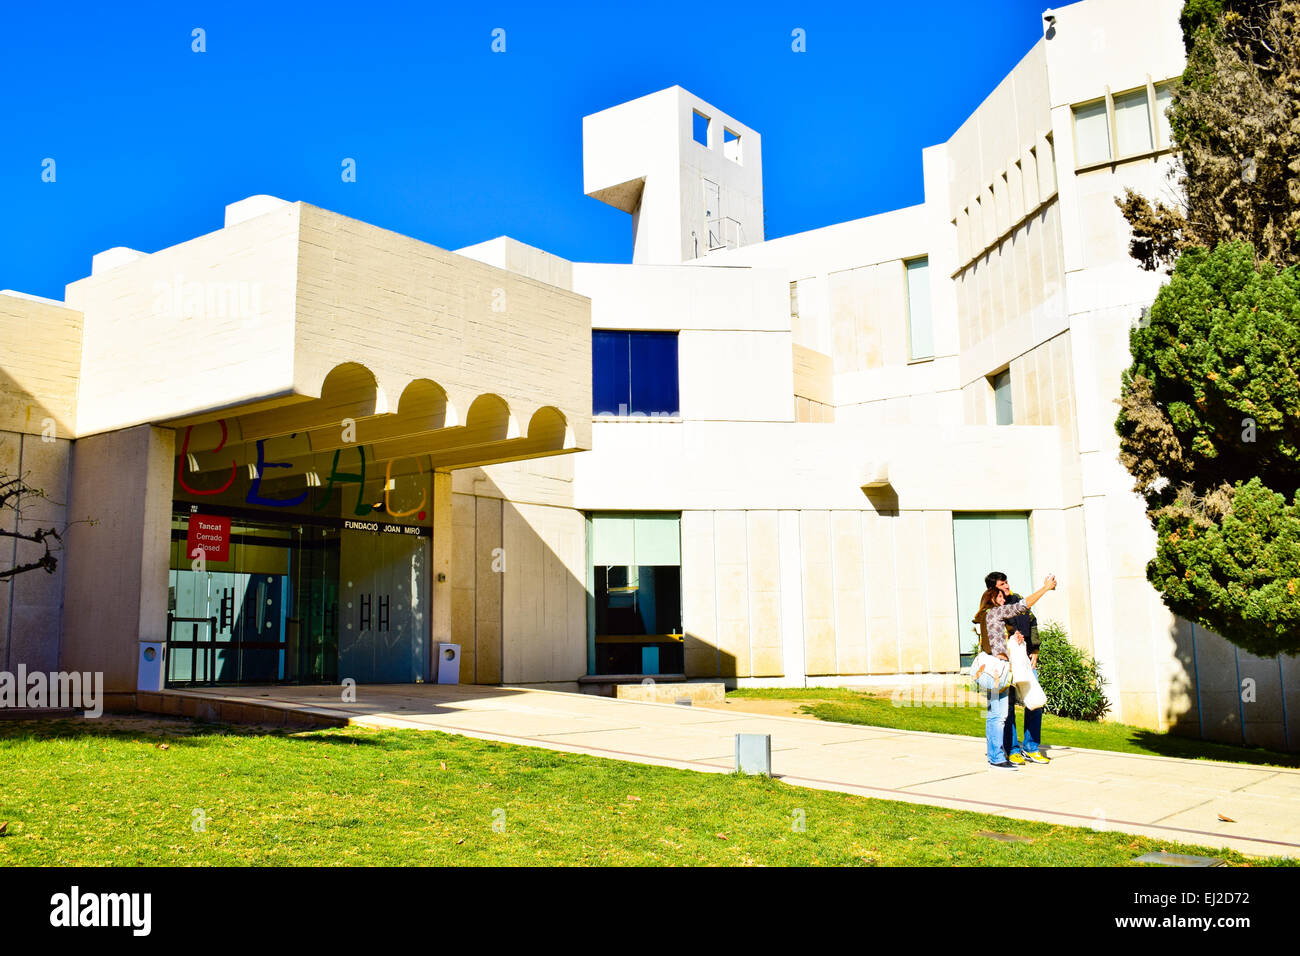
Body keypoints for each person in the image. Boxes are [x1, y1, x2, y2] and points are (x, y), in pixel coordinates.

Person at [975, 575, 1056, 770]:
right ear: (992, 596)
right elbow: (1021, 607)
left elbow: (1011, 629)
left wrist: (1017, 638)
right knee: (998, 715)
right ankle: (1000, 756)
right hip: (999, 669)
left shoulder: (992, 614)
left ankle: (1006, 754)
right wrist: (1045, 588)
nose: (1004, 598)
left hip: (1009, 666)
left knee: (1002, 713)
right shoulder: (994, 612)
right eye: (1000, 595)